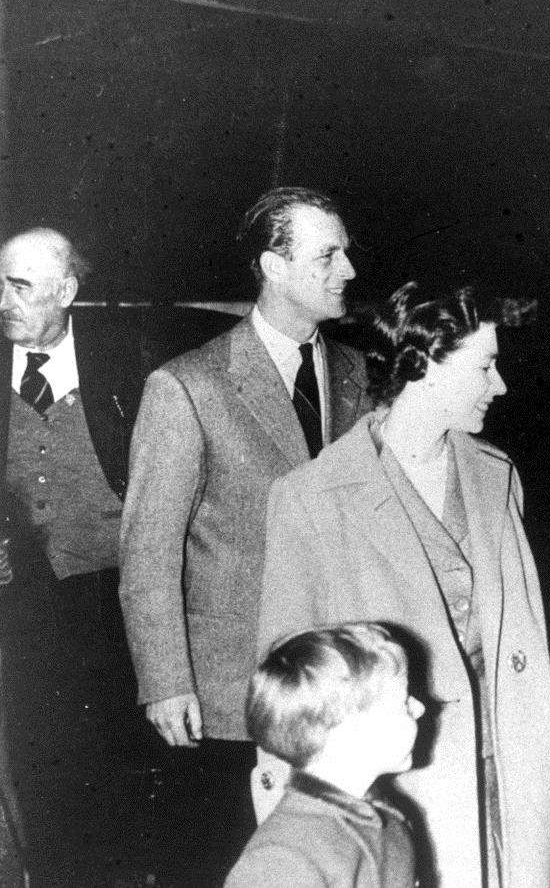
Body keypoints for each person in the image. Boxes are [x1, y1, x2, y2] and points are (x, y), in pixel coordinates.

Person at [258, 281, 550, 888]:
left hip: (511, 758)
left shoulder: (495, 474)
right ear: (424, 364)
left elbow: (516, 596)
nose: (500, 384)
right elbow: (287, 689)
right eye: (484, 366)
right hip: (406, 781)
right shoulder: (311, 500)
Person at [120, 186, 371, 880]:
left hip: (337, 680)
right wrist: (166, 680)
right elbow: (148, 550)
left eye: (346, 252)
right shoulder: (188, 386)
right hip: (231, 691)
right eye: (329, 254)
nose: (348, 269)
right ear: (273, 265)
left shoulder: (355, 374)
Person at [0, 227, 159, 885]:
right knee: (46, 773)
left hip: (124, 597)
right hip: (29, 604)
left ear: (66, 292)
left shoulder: (128, 363)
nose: (1, 299)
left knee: (130, 771)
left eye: (19, 287)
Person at [226, 623, 422, 888]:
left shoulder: (393, 826)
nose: (419, 708)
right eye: (403, 703)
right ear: (350, 732)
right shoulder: (283, 858)